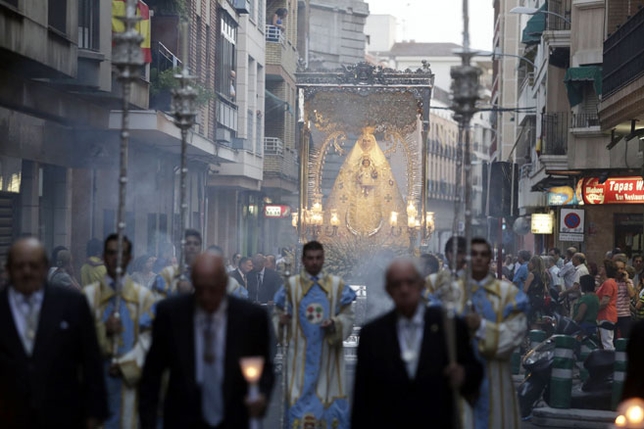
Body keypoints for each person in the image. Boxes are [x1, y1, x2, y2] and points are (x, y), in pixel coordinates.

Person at [139, 253, 274, 428]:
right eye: (200, 288)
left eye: (212, 289)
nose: (206, 296)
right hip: (184, 415)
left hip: (233, 414)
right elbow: (153, 373)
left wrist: (262, 394)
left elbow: (264, 365)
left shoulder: (250, 318)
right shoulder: (171, 314)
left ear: (224, 283)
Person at [351, 257, 482, 428]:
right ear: (388, 290)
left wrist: (463, 375)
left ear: (421, 285)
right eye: (397, 284)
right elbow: (362, 398)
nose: (404, 289)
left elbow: (474, 371)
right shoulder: (372, 334)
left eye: (410, 282)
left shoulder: (448, 326)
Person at [0, 237, 108, 427]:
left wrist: (94, 412)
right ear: (8, 269)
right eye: (19, 266)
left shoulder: (72, 304)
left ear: (44, 268)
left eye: (33, 266)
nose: (27, 272)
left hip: (62, 415)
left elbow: (91, 359)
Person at [273, 240, 357, 428]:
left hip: (329, 362)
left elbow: (348, 317)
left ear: (323, 259)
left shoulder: (337, 287)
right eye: (310, 258)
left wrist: (335, 324)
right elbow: (278, 317)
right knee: (299, 415)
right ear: (303, 260)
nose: (314, 262)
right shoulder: (290, 287)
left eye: (318, 258)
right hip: (299, 361)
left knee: (330, 416)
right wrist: (282, 322)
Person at [83, 234, 157, 429]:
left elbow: (150, 340)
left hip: (131, 385)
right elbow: (76, 342)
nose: (117, 257)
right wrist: (102, 331)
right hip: (95, 382)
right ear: (104, 257)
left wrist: (126, 366)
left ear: (130, 258)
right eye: (111, 252)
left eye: (122, 253)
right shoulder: (88, 297)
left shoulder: (144, 298)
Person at [464, 237, 529, 429]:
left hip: (493, 375)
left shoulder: (509, 296)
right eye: (473, 254)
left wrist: (481, 326)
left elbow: (513, 335)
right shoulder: (451, 293)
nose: (478, 259)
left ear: (490, 259)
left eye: (483, 254)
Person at [153, 229, 203, 297]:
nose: (192, 247)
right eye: (188, 243)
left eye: (196, 244)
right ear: (181, 246)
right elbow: (157, 303)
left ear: (200, 247)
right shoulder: (167, 274)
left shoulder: (209, 275)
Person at [597, 259, 619, 350]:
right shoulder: (610, 282)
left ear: (606, 269)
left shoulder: (608, 283)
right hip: (607, 314)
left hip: (606, 314)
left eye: (602, 267)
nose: (600, 268)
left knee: (607, 341)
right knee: (607, 340)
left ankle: (610, 360)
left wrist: (594, 308)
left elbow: (605, 301)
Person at [524, 255, 550, 328]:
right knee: (538, 321)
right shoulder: (542, 275)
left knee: (531, 321)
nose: (528, 264)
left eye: (530, 262)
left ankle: (533, 336)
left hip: (531, 301)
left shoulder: (531, 274)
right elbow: (546, 290)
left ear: (533, 264)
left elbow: (525, 290)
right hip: (540, 301)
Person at [615, 266, 636, 339]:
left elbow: (631, 294)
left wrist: (626, 280)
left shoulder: (629, 281)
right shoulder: (613, 281)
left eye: (622, 269)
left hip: (625, 314)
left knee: (626, 337)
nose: (620, 271)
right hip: (614, 314)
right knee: (614, 338)